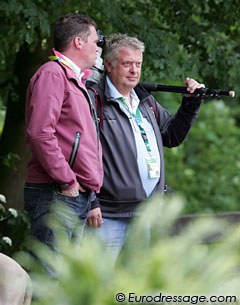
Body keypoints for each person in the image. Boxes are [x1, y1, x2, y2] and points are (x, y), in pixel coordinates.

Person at [85, 33, 205, 263]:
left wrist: (191, 103)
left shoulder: (144, 100)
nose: (134, 70)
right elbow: (81, 154)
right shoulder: (94, 100)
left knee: (137, 288)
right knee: (97, 288)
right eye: (127, 63)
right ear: (108, 65)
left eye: (138, 64)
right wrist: (91, 201)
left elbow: (171, 135)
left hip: (144, 213)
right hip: (107, 214)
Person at [24, 13, 103, 253]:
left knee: (60, 281)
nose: (98, 48)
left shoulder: (75, 80)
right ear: (78, 42)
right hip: (56, 192)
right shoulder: (52, 73)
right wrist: (66, 179)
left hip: (74, 194)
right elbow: (40, 134)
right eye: (95, 41)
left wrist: (90, 194)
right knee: (48, 277)